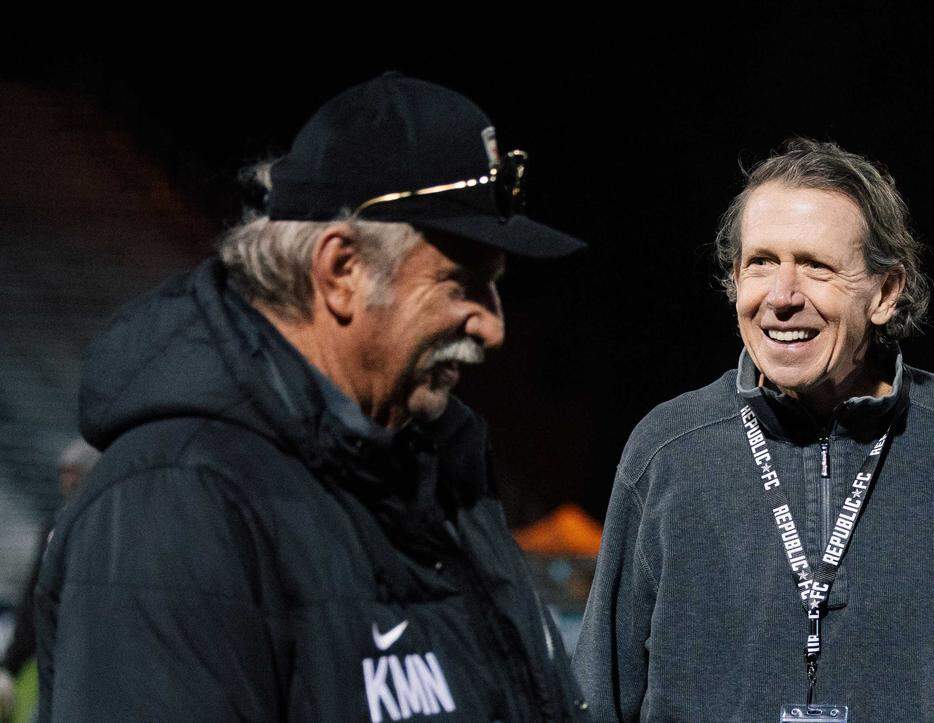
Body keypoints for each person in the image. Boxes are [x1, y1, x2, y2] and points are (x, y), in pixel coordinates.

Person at [35, 73, 591, 721]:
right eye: (462, 283)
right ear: (341, 271)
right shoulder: (171, 503)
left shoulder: (443, 470)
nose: (492, 326)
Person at [573, 138, 934, 721]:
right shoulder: (667, 451)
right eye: (761, 262)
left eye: (816, 266)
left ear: (885, 292)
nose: (782, 297)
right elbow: (596, 699)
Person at [0, 439, 97, 721]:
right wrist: (10, 666)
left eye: (75, 473)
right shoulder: (56, 526)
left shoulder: (103, 527)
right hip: (59, 654)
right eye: (64, 473)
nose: (68, 481)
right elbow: (35, 598)